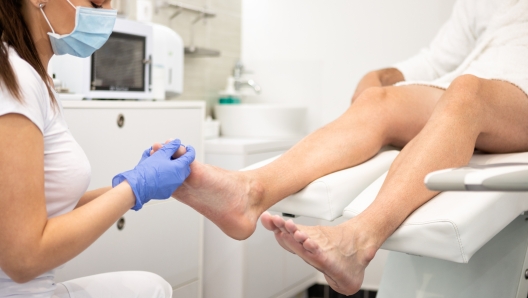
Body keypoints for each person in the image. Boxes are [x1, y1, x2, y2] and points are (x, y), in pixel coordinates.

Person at [151, 0, 528, 295]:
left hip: (511, 95)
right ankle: (249, 192)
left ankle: (358, 241)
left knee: (467, 91)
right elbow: (438, 59)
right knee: (381, 100)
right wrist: (382, 78)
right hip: (468, 84)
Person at [0, 0, 195, 297]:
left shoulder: (36, 79)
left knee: (154, 287)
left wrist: (132, 182)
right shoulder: (15, 81)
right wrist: (135, 187)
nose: (105, 14)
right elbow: (23, 260)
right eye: (95, 2)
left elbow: (44, 208)